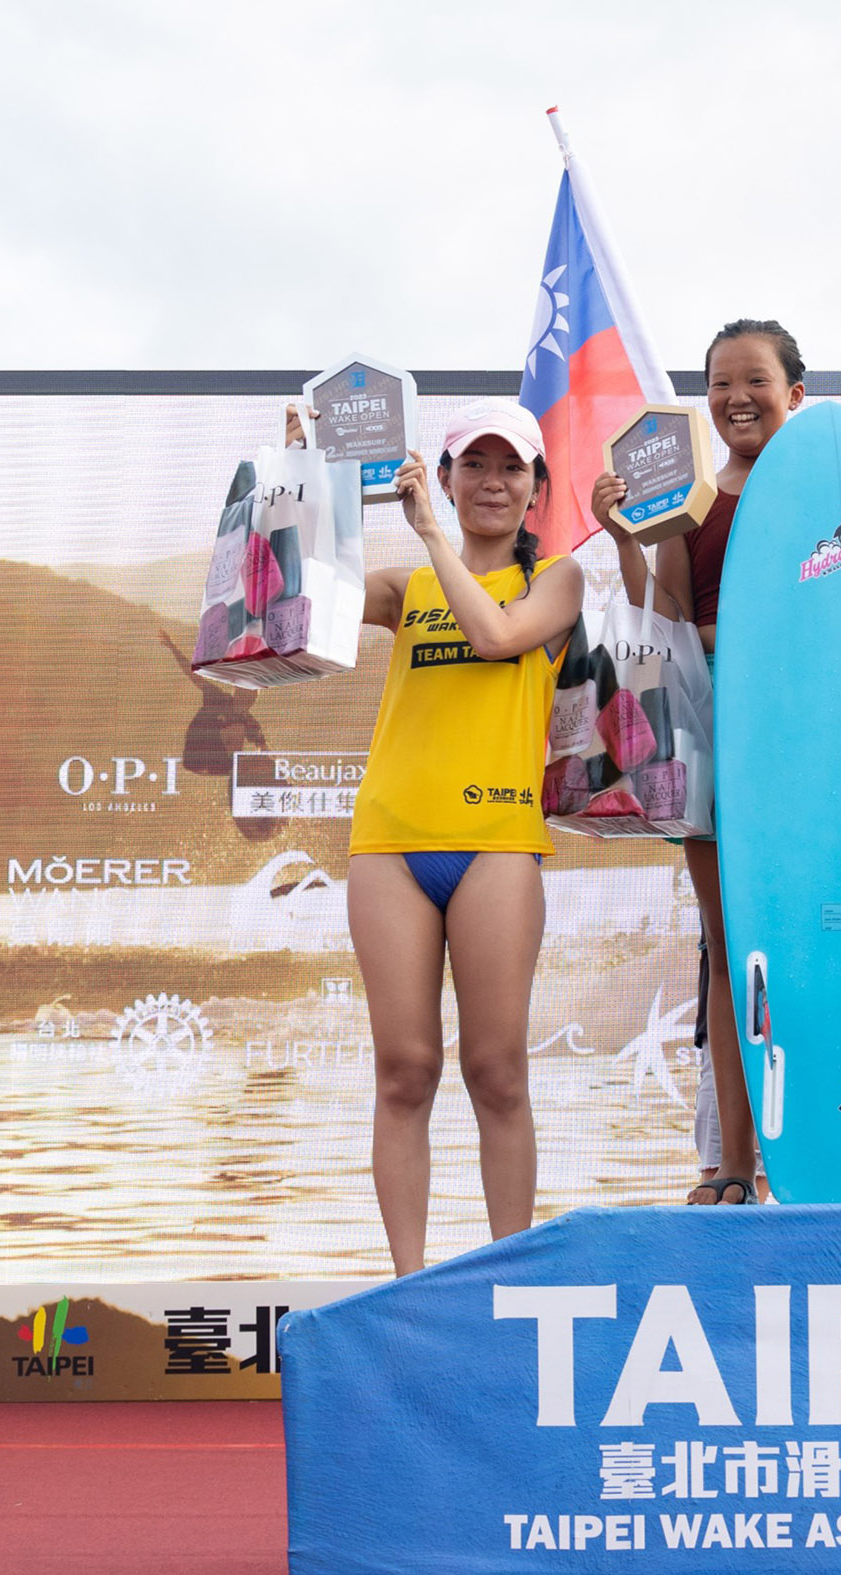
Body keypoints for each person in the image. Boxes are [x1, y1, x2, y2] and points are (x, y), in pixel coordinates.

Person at [590, 320, 841, 1204]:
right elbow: (656, 618)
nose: (737, 397)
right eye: (721, 383)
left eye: (757, 381)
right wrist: (627, 535)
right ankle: (736, 1163)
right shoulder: (684, 494)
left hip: (819, 729)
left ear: (796, 394)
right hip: (713, 722)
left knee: (831, 930)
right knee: (733, 946)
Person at [310, 396, 586, 1272]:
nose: (493, 483)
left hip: (496, 842)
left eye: (512, 468)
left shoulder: (558, 580)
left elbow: (498, 636)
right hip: (390, 840)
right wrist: (304, 488)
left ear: (537, 488)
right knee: (404, 1070)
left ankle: (506, 1279)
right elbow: (299, 588)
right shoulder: (404, 587)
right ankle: (409, 1284)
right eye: (476, 465)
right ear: (448, 476)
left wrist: (432, 535)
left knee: (497, 1072)